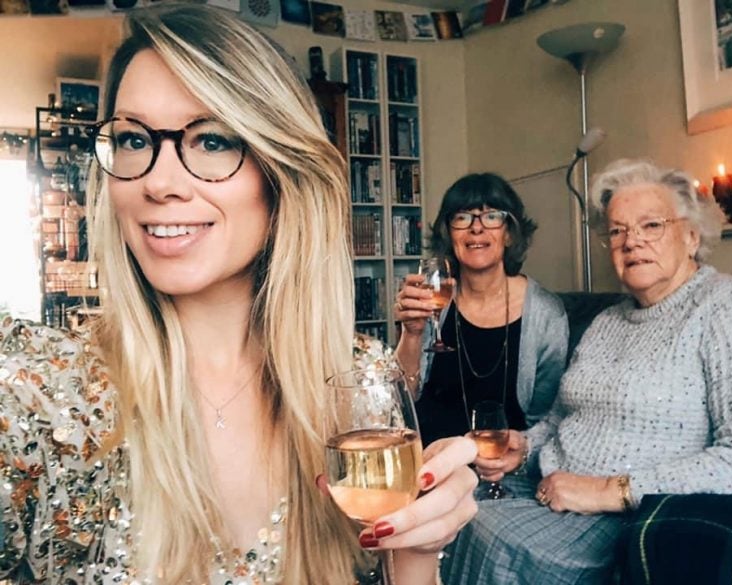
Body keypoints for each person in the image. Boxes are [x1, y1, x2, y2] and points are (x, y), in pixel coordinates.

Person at [0, 5, 476, 584]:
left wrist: (419, 545)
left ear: (281, 174)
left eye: (211, 140)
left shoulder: (359, 382)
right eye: (133, 139)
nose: (158, 182)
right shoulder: (39, 394)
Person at [441, 159, 732, 584]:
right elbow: (561, 419)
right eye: (618, 231)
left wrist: (609, 490)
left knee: (480, 528)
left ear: (692, 236)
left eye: (651, 225)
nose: (631, 241)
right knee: (441, 501)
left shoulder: (728, 307)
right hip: (547, 487)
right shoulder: (608, 321)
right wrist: (524, 447)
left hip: (617, 516)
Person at [393, 173, 568, 450]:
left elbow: (546, 421)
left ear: (509, 234)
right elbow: (401, 400)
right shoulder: (432, 299)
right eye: (462, 217)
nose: (476, 228)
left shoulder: (546, 313)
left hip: (499, 464)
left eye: (491, 216)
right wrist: (411, 334)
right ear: (449, 234)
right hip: (428, 457)